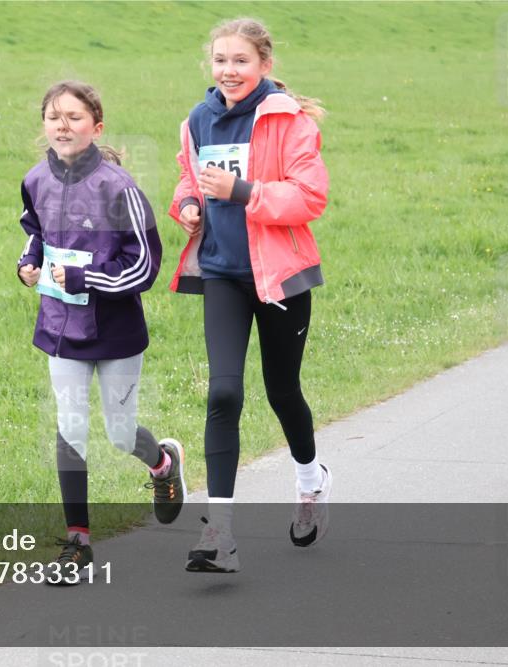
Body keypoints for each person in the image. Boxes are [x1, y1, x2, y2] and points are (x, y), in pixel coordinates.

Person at [168, 18, 331, 573]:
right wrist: (189, 205)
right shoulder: (198, 119)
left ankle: (310, 482)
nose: (229, 71)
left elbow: (310, 196)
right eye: (221, 60)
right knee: (223, 393)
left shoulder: (288, 120)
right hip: (222, 274)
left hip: (279, 276)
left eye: (241, 60)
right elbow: (190, 177)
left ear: (265, 64)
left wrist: (242, 191)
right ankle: (220, 534)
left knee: (282, 390)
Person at [17, 80, 183, 585]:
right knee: (70, 426)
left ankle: (162, 463)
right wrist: (28, 263)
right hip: (60, 327)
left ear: (97, 126)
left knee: (119, 434)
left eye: (74, 117)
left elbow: (145, 266)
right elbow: (34, 232)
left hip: (115, 332)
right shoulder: (35, 179)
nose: (62, 126)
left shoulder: (119, 188)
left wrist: (86, 278)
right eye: (54, 117)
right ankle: (78, 543)